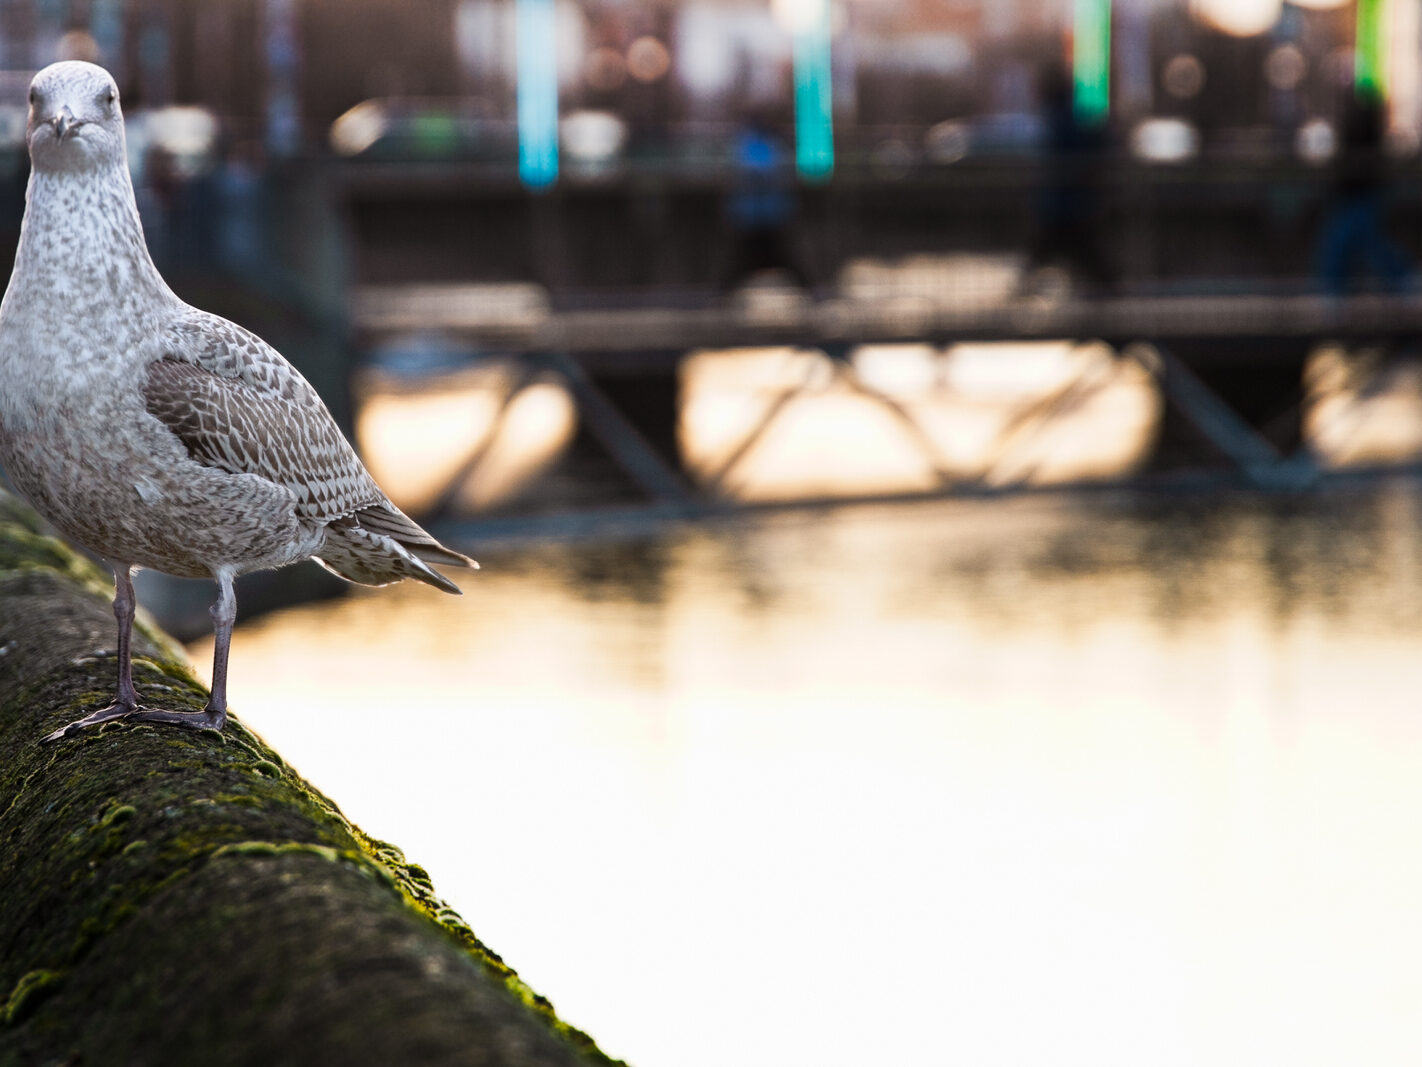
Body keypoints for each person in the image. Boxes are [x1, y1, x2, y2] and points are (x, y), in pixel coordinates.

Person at [1316, 89, 1413, 296]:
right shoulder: (1366, 123)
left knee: (1350, 244)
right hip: (1358, 193)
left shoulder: (1360, 124)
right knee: (1361, 243)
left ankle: (1334, 294)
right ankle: (1404, 282)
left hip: (1358, 193)